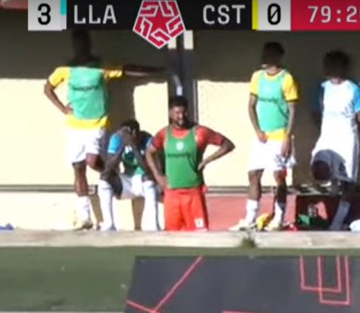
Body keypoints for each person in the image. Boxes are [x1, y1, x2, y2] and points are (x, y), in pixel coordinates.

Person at [44, 30, 157, 230]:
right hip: (74, 126)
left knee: (92, 161)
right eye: (77, 42)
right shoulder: (65, 69)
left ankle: (114, 178)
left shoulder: (99, 67)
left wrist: (154, 71)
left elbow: (125, 70)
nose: (81, 46)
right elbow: (47, 88)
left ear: (89, 44)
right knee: (78, 168)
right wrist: (63, 108)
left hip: (96, 124)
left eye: (84, 42)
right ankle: (85, 215)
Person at [146, 96, 234, 232]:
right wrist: (158, 176)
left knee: (199, 236)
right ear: (170, 113)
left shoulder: (200, 132)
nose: (181, 117)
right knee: (172, 236)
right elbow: (149, 152)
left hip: (193, 192)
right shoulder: (164, 134)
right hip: (171, 194)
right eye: (177, 113)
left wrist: (206, 161)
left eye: (184, 112)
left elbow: (227, 145)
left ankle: (199, 255)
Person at [240, 42, 298, 231]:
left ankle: (279, 218)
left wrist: (287, 137)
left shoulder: (286, 79)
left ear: (278, 57)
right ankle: (249, 218)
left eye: (269, 55)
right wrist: (257, 130)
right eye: (263, 54)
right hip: (261, 136)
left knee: (279, 176)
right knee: (253, 174)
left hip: (279, 135)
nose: (264, 58)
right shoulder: (257, 77)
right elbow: (251, 105)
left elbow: (292, 110)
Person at [310, 50, 360, 231]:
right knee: (319, 170)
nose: (330, 68)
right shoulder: (321, 88)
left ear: (344, 67)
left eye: (335, 64)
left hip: (347, 137)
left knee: (348, 181)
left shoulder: (353, 89)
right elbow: (315, 112)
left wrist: (352, 129)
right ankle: (332, 187)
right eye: (328, 64)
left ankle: (338, 221)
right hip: (327, 136)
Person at [98, 119, 159, 232]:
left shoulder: (147, 139)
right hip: (127, 181)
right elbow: (108, 168)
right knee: (104, 179)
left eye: (135, 132)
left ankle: (153, 226)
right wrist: (122, 146)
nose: (134, 135)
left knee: (148, 178)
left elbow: (147, 169)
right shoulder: (116, 138)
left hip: (144, 182)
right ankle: (109, 224)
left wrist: (133, 146)